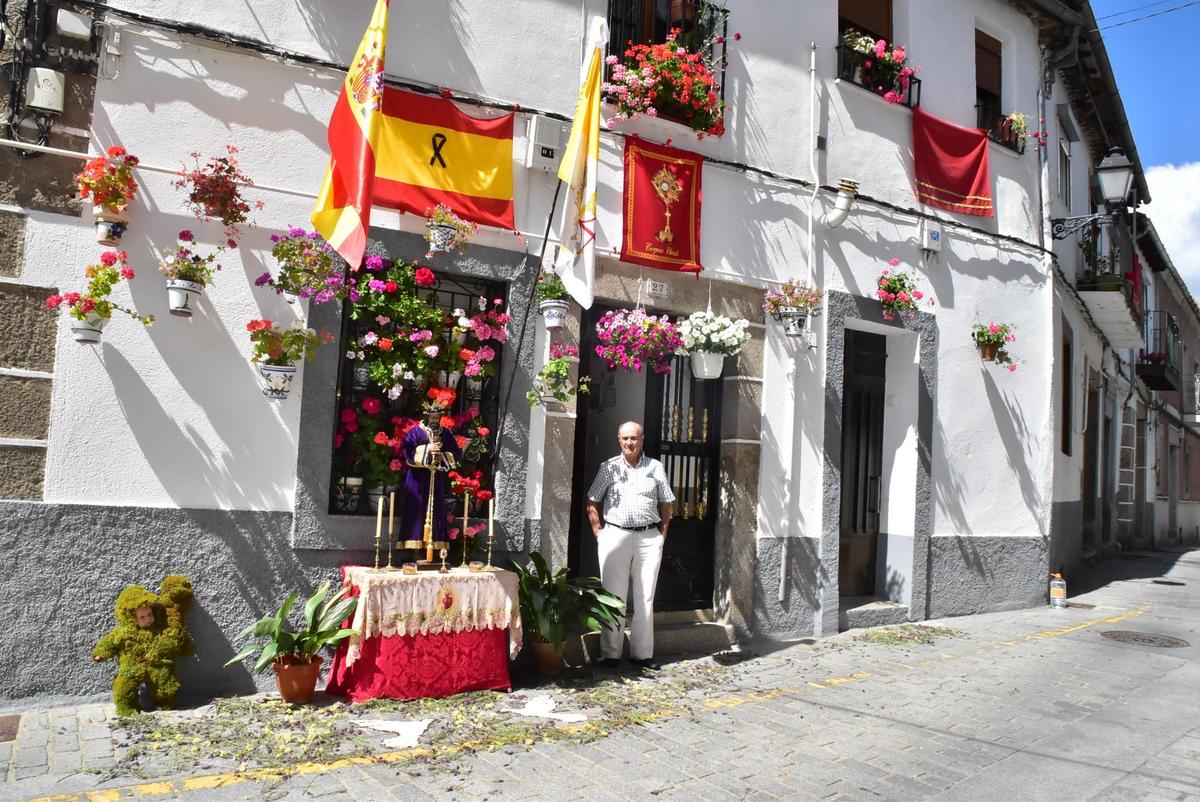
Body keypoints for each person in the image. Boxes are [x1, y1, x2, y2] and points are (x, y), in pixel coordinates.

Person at [586, 420, 675, 671]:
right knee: (613, 596)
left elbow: (666, 503)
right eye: (624, 438)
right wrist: (599, 532)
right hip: (615, 535)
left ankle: (642, 655)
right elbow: (592, 501)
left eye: (633, 438)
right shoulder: (609, 468)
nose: (629, 443)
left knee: (645, 597)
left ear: (642, 439)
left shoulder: (655, 467)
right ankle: (611, 655)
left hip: (648, 538)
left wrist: (661, 535)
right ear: (619, 440)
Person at [398, 387, 462, 551]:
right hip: (417, 480)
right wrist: (427, 450)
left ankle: (435, 550)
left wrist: (442, 458)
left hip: (436, 480)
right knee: (416, 511)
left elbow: (455, 455)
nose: (435, 419)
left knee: (437, 513)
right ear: (426, 416)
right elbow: (407, 452)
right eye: (432, 416)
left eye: (438, 417)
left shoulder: (446, 434)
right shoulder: (415, 433)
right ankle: (415, 550)